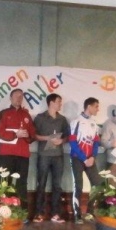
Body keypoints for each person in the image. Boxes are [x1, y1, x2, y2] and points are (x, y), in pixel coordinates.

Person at [0, 89, 35, 211]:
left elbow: (33, 134)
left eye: (21, 96)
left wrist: (27, 135)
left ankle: (22, 212)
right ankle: (5, 211)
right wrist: (15, 135)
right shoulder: (4, 113)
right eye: (16, 96)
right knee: (5, 183)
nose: (19, 98)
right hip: (6, 154)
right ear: (10, 98)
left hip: (23, 155)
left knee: (21, 183)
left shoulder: (26, 115)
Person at [33, 93, 70, 223]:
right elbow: (34, 135)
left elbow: (67, 136)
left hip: (58, 156)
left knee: (57, 185)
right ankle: (39, 213)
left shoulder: (62, 119)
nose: (60, 104)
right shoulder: (40, 118)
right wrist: (47, 138)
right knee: (41, 184)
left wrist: (62, 141)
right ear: (51, 103)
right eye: (59, 101)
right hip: (43, 155)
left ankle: (56, 213)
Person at [69, 97, 101, 224]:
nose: (98, 109)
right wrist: (84, 158)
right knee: (78, 186)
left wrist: (92, 157)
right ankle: (77, 215)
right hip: (77, 158)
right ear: (89, 106)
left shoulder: (94, 123)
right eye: (96, 106)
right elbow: (72, 143)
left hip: (90, 159)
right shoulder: (76, 121)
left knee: (97, 184)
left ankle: (90, 212)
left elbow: (96, 143)